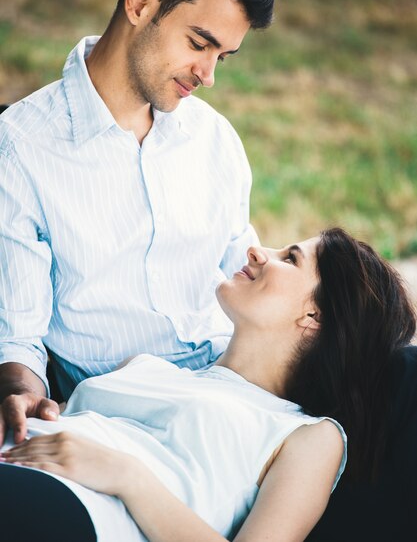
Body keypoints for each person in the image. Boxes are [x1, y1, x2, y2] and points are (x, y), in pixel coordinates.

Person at [0, 0, 274, 445]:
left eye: (223, 56)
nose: (209, 75)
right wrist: (21, 390)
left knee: (403, 374)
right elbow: (18, 337)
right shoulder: (22, 146)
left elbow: (247, 276)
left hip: (235, 386)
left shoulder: (215, 140)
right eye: (200, 43)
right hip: (127, 417)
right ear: (140, 3)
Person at [1, 227, 415, 542]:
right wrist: (32, 407)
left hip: (78, 505)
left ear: (314, 317)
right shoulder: (148, 366)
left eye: (289, 259)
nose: (256, 251)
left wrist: (126, 475)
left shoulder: (309, 435)